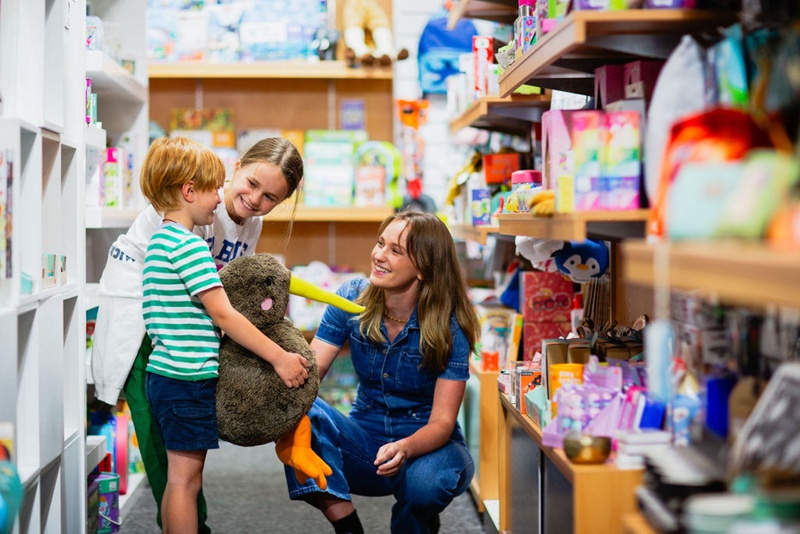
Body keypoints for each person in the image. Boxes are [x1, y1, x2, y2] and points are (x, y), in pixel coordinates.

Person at [91, 137, 304, 533]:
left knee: (180, 472)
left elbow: (232, 291)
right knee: (170, 466)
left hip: (182, 341)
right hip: (148, 333)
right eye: (252, 183)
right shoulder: (192, 218)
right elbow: (220, 307)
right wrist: (275, 355)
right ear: (237, 166)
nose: (256, 199)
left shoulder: (242, 222)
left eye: (271, 197)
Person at [284, 210, 480, 534]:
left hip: (429, 443)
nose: (379, 255)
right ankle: (349, 527)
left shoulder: (450, 324)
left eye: (395, 250)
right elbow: (310, 374)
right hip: (366, 443)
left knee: (425, 486)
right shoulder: (351, 297)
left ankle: (417, 519)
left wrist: (405, 447)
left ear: (424, 268)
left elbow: (443, 424)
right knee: (299, 411)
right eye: (380, 243)